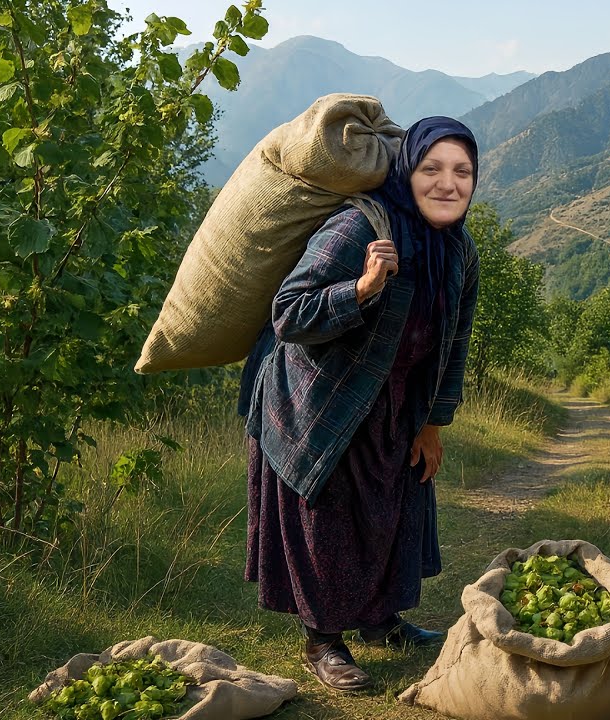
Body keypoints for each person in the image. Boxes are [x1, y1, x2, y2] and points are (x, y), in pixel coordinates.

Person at [240, 117, 481, 692]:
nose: (447, 184)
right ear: (408, 171)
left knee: (388, 511)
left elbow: (455, 340)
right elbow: (288, 314)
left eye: (462, 172)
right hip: (316, 401)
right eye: (432, 169)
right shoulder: (357, 228)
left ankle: (379, 620)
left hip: (394, 401)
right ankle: (322, 641)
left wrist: (434, 422)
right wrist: (361, 288)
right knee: (326, 521)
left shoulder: (458, 250)